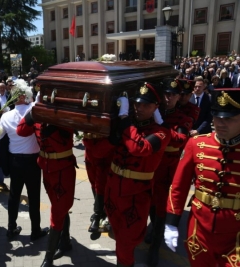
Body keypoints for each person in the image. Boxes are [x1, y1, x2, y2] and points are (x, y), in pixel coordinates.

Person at [164, 88, 240, 266]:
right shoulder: (197, 144)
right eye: (217, 117)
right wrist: (171, 222)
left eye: (228, 119)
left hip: (235, 236)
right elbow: (178, 186)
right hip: (200, 230)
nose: (220, 123)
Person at [103, 82, 171, 267]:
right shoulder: (128, 126)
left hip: (135, 197)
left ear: (156, 107)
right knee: (119, 238)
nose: (139, 108)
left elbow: (139, 147)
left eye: (146, 105)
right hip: (113, 191)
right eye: (137, 104)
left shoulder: (162, 132)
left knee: (126, 243)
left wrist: (124, 118)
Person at [17, 97, 76, 267]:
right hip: (46, 168)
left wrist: (53, 117)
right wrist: (33, 112)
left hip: (63, 170)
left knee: (58, 210)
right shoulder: (38, 116)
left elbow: (66, 135)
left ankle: (48, 258)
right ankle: (65, 241)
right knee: (59, 207)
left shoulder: (64, 116)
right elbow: (21, 130)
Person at [0, 79, 49, 240]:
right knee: (34, 197)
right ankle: (35, 230)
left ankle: (11, 228)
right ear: (25, 96)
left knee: (14, 196)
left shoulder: (6, 116)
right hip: (33, 161)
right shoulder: (34, 111)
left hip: (15, 161)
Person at [146, 79, 193, 267]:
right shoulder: (153, 113)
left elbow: (179, 140)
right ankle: (154, 230)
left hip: (169, 167)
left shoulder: (182, 118)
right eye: (166, 94)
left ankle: (155, 247)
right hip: (151, 165)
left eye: (173, 94)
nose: (169, 97)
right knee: (150, 201)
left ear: (179, 97)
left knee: (163, 206)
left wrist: (161, 125)